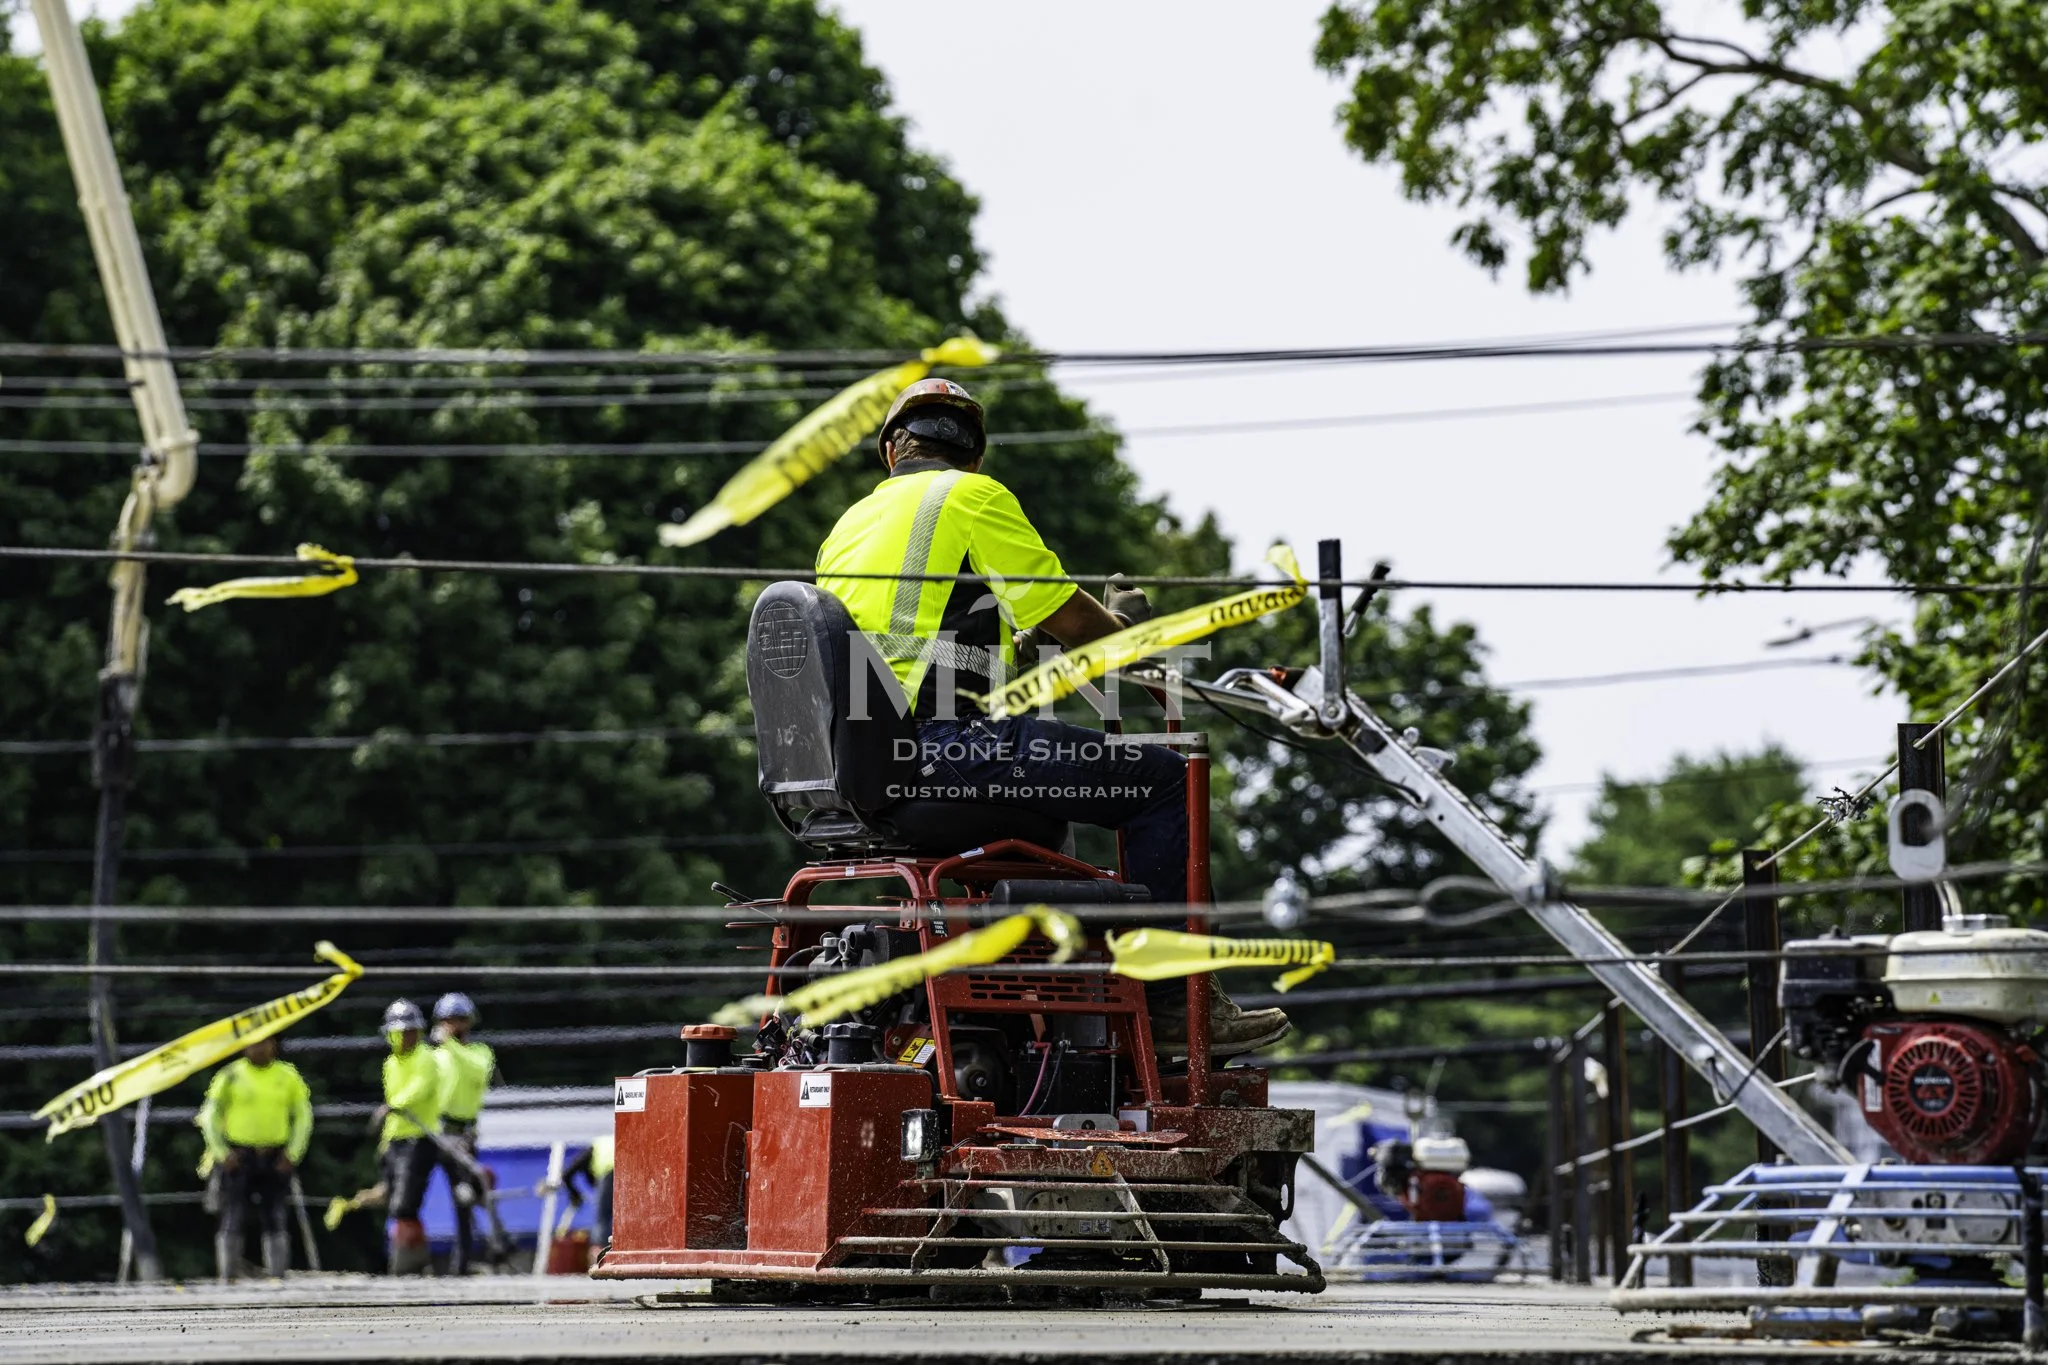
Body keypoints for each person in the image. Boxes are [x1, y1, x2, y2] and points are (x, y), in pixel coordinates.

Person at [814, 377, 1288, 1055]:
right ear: (974, 455)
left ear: (892, 449)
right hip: (946, 751)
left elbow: (932, 644)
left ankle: (1059, 997)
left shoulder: (848, 529)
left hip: (865, 769)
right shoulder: (972, 495)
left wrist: (1036, 646)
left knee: (1055, 792)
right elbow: (1069, 618)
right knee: (1161, 783)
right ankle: (1174, 1003)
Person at [197, 1034, 312, 1281]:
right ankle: (227, 1275)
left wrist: (293, 1153)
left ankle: (277, 1275)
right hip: (238, 1155)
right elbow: (210, 1116)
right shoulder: (230, 1075)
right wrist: (220, 1152)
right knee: (232, 1214)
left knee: (275, 1214)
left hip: (276, 1155)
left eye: (265, 1042)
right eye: (253, 1042)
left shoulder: (288, 1075)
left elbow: (303, 1116)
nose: (258, 1048)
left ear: (274, 1045)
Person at [374, 998, 443, 1275]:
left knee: (404, 1204)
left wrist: (393, 1106)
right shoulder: (389, 1064)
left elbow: (420, 1088)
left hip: (420, 1138)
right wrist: (384, 1143)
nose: (407, 1036)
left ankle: (403, 1263)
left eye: (412, 1030)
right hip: (395, 1139)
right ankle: (418, 1259)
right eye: (401, 1031)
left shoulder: (426, 1057)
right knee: (398, 1204)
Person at [430, 992, 496, 1274]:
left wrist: (450, 1046)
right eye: (448, 1020)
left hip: (462, 1135)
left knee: (464, 1199)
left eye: (458, 1020)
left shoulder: (480, 1053)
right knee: (411, 1194)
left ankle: (462, 1264)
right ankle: (409, 1258)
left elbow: (478, 1073)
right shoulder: (433, 1057)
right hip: (433, 1131)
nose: (453, 1026)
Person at [561, 1133, 614, 1248]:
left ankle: (601, 1250)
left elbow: (567, 1174)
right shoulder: (608, 1143)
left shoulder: (594, 1149)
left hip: (609, 1171)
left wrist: (575, 1195)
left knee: (602, 1217)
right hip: (629, 1171)